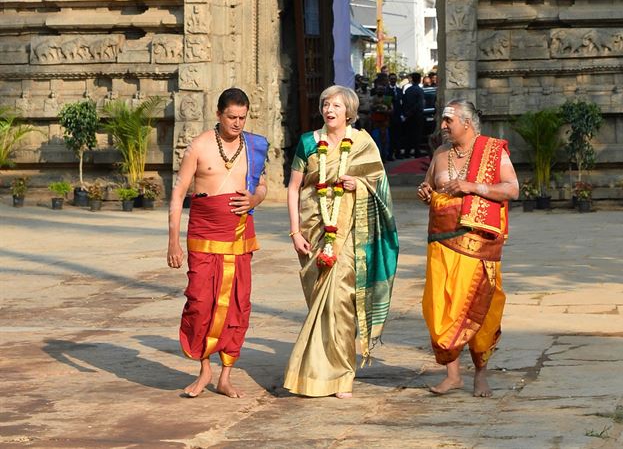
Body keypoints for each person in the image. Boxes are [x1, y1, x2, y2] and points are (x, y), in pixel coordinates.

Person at [284, 85, 399, 398]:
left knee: (341, 301)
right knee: (319, 303)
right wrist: (295, 232)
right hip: (312, 231)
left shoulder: (362, 143)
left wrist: (358, 183)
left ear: (349, 110)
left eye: (335, 105)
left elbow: (381, 186)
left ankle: (341, 375)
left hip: (348, 234)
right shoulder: (309, 142)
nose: (329, 110)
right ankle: (320, 373)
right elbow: (294, 188)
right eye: (325, 104)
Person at [167, 87, 268, 399]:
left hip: (239, 234)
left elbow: (263, 186)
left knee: (238, 303)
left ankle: (225, 374)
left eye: (242, 117)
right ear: (218, 115)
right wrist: (173, 240)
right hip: (204, 233)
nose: (237, 123)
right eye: (231, 117)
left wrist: (254, 198)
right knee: (200, 302)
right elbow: (178, 193)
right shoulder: (199, 146)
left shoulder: (254, 146)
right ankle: (204, 368)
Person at [417, 99, 519, 397]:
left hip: (477, 245)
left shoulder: (492, 151)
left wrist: (472, 187)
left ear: (467, 123)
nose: (443, 125)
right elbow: (430, 187)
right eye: (444, 120)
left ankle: (480, 375)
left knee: (480, 310)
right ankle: (452, 376)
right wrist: (426, 192)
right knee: (440, 308)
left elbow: (512, 189)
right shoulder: (440, 153)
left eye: (449, 120)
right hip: (441, 242)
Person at [401, 72, 425, 159]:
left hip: (408, 115)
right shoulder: (419, 90)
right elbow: (420, 104)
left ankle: (407, 152)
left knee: (409, 134)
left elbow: (404, 103)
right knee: (417, 134)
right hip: (417, 115)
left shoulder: (408, 90)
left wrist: (406, 113)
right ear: (419, 80)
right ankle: (416, 152)